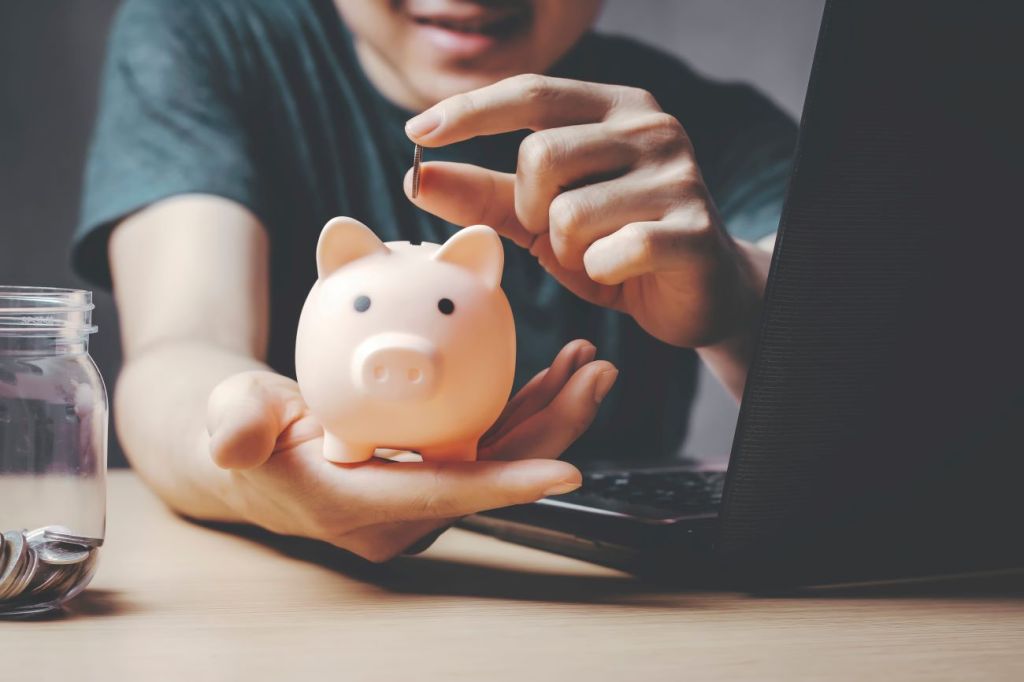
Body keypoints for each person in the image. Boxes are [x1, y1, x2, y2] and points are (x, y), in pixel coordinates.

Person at [72, 0, 796, 561]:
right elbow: (180, 347)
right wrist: (253, 463)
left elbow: (881, 400)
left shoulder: (701, 135)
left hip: (626, 598)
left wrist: (737, 300)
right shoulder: (210, 36)